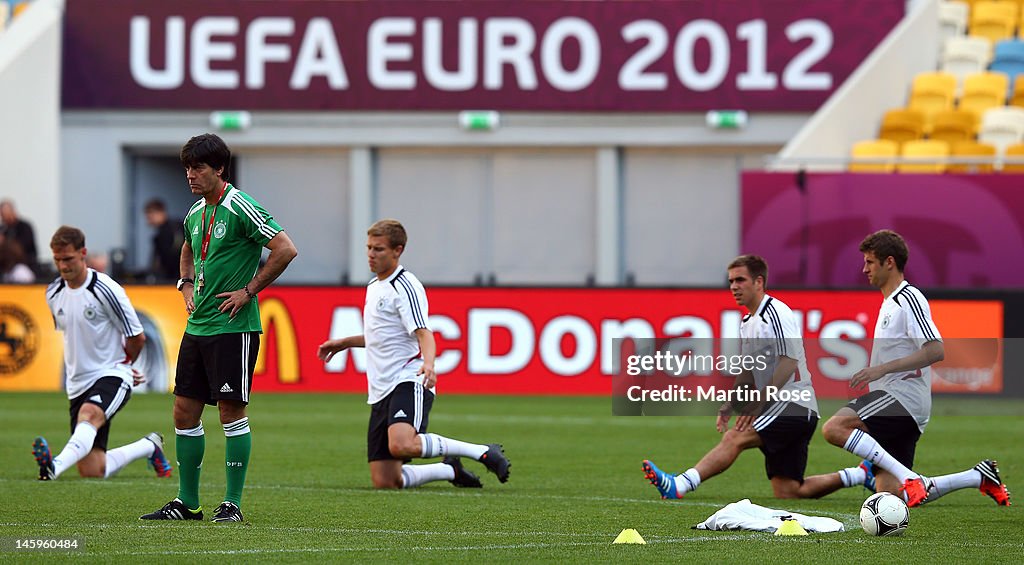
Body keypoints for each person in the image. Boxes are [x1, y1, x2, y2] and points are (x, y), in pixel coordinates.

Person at [141, 133, 298, 523]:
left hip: (233, 327)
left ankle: (232, 504)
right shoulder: (195, 212)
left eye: (198, 168)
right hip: (199, 327)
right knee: (183, 412)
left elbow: (285, 249)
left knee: (231, 412)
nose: (191, 175)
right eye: (187, 169)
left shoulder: (241, 205)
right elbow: (189, 249)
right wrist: (185, 283)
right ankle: (187, 503)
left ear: (219, 169)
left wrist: (248, 291)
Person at [820, 230, 1010, 507]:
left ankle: (910, 475)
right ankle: (975, 477)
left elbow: (935, 349)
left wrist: (881, 369)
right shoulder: (889, 303)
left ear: (889, 262)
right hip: (901, 406)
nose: (864, 269)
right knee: (891, 497)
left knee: (834, 428)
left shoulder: (908, 298)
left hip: (900, 400)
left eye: (869, 262)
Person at [317, 219, 510, 491]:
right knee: (386, 481)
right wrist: (344, 342)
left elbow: (423, 332)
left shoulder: (405, 286)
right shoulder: (374, 286)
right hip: (381, 387)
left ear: (398, 250)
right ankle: (448, 470)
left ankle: (482, 452)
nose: (371, 254)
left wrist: (429, 365)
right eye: (369, 248)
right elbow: (382, 336)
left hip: (407, 377)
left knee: (402, 443)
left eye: (379, 249)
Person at [642, 255, 840, 500]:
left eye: (740, 280)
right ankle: (861, 474)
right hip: (786, 407)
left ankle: (680, 484)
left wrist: (759, 401)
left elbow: (789, 361)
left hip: (794, 405)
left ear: (759, 282)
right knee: (789, 491)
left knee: (735, 437)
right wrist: (731, 403)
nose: (734, 286)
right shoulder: (748, 321)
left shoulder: (775, 312)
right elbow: (748, 369)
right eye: (731, 281)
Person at [32, 225, 172, 482]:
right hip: (77, 384)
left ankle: (53, 467)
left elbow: (136, 336)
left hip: (111, 372)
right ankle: (149, 446)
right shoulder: (53, 293)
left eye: (69, 259)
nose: (63, 266)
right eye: (58, 260)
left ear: (83, 253)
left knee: (89, 415)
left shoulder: (106, 289)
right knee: (92, 469)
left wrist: (125, 367)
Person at [144, 198, 183, 281]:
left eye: (150, 217)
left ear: (160, 213)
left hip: (173, 278)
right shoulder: (177, 227)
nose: (148, 221)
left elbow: (167, 259)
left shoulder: (168, 232)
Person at [0, 198, 38, 274]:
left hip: (24, 265)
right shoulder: (3, 229)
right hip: (5, 268)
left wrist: (4, 242)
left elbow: (23, 247)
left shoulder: (25, 227)